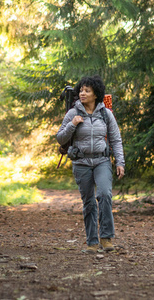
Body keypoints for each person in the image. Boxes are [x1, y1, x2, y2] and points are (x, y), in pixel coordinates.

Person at [56, 75, 125, 253]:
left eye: (87, 90)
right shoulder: (73, 113)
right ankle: (92, 242)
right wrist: (72, 124)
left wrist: (120, 162)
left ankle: (106, 238)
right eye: (81, 90)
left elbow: (115, 139)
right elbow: (60, 138)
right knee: (88, 202)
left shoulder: (105, 114)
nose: (82, 93)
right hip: (81, 162)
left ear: (96, 94)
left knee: (104, 195)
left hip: (102, 161)